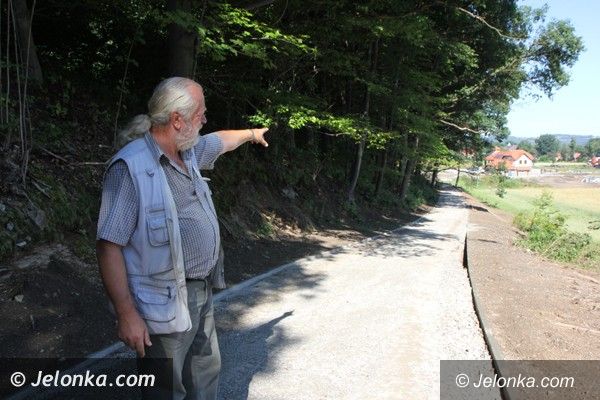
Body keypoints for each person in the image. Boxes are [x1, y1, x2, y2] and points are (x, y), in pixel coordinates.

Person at [96, 77, 269, 399]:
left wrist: (250, 134)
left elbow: (220, 141)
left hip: (200, 290)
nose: (204, 120)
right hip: (161, 301)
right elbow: (109, 247)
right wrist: (126, 314)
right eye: (200, 113)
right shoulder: (130, 168)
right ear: (177, 119)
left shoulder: (187, 152)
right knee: (166, 388)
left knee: (204, 371)